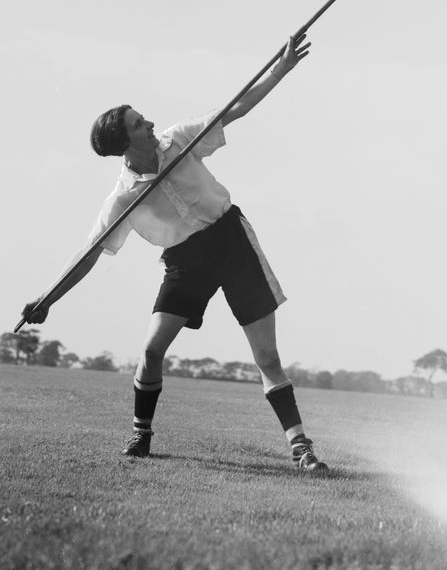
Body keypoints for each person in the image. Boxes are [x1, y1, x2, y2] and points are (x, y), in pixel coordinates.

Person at [22, 34, 328, 474]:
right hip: (186, 263)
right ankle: (141, 434)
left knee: (267, 358)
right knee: (151, 350)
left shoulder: (181, 138)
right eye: (138, 123)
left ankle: (300, 446)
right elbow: (89, 255)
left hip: (231, 242)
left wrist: (280, 70)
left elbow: (235, 108)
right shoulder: (123, 197)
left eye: (144, 119)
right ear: (125, 143)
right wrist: (48, 300)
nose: (150, 124)